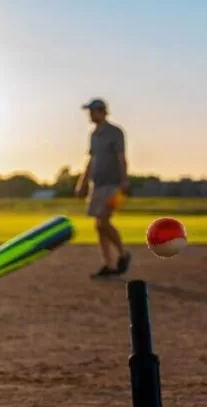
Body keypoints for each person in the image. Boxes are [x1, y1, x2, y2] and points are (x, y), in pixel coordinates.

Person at [75, 98, 132, 279]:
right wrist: (82, 183)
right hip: (97, 185)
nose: (90, 115)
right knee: (99, 225)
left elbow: (121, 157)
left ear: (102, 111)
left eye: (93, 111)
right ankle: (108, 264)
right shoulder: (94, 135)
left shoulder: (115, 132)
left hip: (113, 184)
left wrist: (124, 181)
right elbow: (91, 161)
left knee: (104, 219)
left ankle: (123, 254)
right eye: (89, 111)